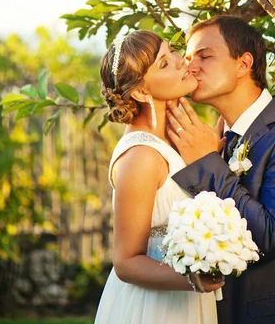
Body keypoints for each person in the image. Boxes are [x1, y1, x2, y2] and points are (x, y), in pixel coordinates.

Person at [166, 15, 275, 324]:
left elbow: (268, 236)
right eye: (188, 59)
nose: (190, 67)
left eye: (204, 56)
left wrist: (206, 164)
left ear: (244, 63)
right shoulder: (222, 139)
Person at [94, 30, 222, 324]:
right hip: (156, 307)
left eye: (172, 52)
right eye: (164, 64)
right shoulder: (141, 156)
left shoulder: (179, 138)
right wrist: (194, 280)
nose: (181, 62)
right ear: (140, 92)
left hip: (189, 303)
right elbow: (126, 262)